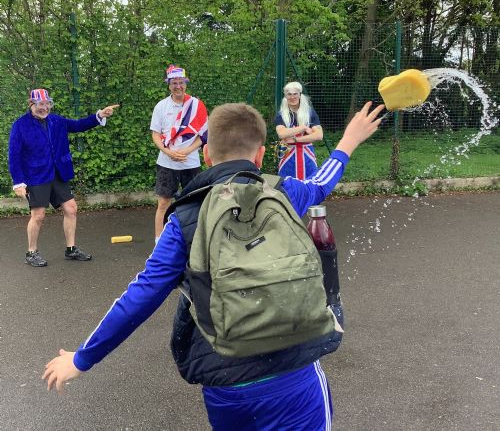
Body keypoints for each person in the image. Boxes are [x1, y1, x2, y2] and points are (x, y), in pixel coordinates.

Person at [43, 100, 384, 428]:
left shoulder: (185, 219)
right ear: (260, 154)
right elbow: (321, 183)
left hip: (227, 385)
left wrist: (81, 359)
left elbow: (142, 294)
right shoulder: (283, 193)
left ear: (206, 155)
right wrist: (348, 141)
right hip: (294, 376)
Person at [8, 89, 119, 267]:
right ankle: (31, 252)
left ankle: (71, 249)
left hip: (58, 173)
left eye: (47, 104)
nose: (44, 108)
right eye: (40, 104)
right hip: (36, 176)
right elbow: (14, 155)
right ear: (31, 104)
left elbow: (78, 125)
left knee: (71, 209)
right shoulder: (20, 125)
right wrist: (18, 182)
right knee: (38, 215)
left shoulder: (57, 120)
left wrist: (99, 115)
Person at [150, 64, 208, 242]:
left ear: (186, 84)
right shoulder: (161, 106)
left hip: (191, 163)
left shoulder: (196, 105)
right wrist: (168, 152)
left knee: (195, 203)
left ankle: (195, 241)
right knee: (163, 203)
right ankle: (159, 241)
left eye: (181, 82)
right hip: (166, 163)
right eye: (174, 83)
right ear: (169, 85)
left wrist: (187, 151)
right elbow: (155, 135)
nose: (178, 86)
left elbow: (203, 136)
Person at [275, 81, 323, 180]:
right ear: (285, 96)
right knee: (286, 182)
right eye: (289, 94)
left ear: (300, 94)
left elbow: (319, 135)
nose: (292, 97)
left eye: (295, 94)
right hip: (287, 154)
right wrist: (303, 128)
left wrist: (295, 140)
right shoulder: (281, 114)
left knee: (309, 181)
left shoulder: (310, 113)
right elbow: (282, 134)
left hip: (307, 155)